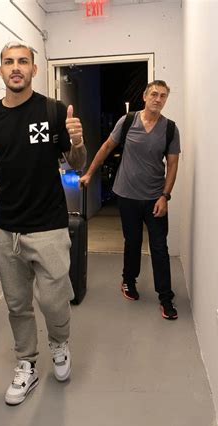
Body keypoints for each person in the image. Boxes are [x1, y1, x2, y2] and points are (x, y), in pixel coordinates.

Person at [0, 41, 87, 406]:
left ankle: (59, 345)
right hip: (6, 229)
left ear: (33, 69)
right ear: (0, 71)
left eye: (23, 62)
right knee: (17, 304)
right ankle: (26, 363)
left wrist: (77, 141)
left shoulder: (52, 110)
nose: (16, 67)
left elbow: (75, 164)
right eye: (9, 62)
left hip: (49, 227)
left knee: (55, 302)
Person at [79, 80, 180, 320]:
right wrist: (90, 172)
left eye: (163, 96)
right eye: (154, 94)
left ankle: (165, 297)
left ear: (166, 100)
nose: (158, 99)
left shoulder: (170, 129)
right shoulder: (128, 121)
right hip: (126, 195)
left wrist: (165, 196)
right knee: (132, 241)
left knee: (159, 247)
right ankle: (128, 281)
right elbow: (106, 147)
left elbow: (173, 164)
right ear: (145, 96)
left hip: (155, 198)